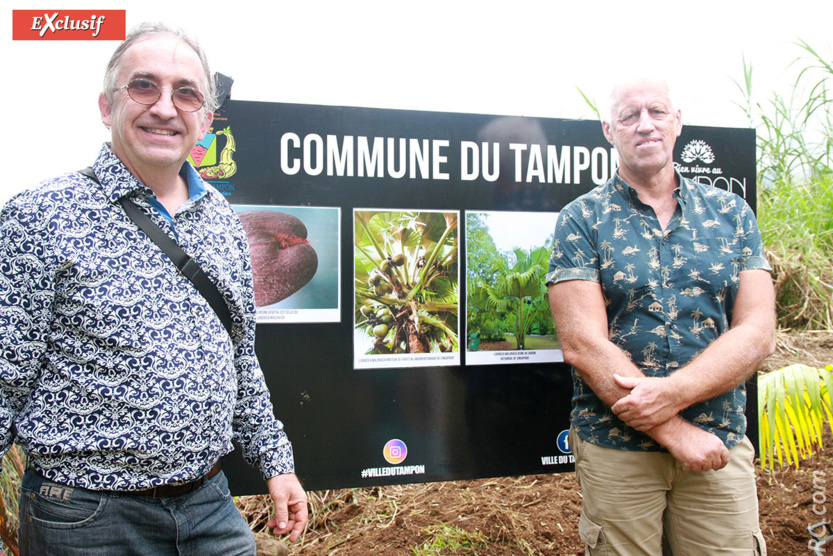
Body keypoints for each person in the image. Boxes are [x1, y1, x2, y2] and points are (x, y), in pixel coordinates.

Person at [0, 22, 307, 555]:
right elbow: (5, 375)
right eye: (144, 86)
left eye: (185, 93)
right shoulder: (41, 217)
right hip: (85, 517)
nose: (165, 107)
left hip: (209, 506)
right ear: (106, 105)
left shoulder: (224, 224)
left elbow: (239, 356)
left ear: (205, 120)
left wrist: (276, 464)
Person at [546, 76, 775, 555]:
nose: (645, 125)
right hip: (617, 450)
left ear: (677, 123)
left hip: (718, 445)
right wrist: (673, 430)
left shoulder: (733, 214)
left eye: (656, 112)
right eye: (630, 116)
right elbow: (583, 343)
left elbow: (757, 332)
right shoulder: (580, 218)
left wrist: (671, 396)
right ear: (609, 130)